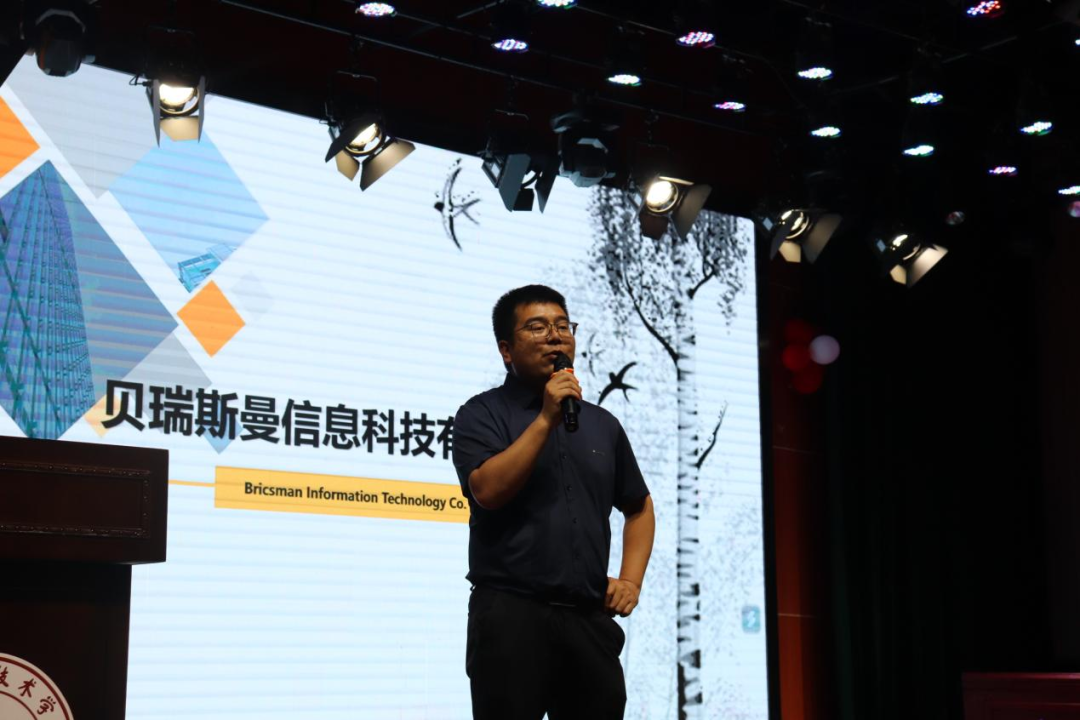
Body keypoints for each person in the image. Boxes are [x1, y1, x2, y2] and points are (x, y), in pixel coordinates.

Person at [452, 284, 656, 720]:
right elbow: (487, 491)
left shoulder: (602, 425)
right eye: (537, 327)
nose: (555, 337)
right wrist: (546, 417)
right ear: (506, 350)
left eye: (563, 326)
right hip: (511, 616)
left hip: (587, 619)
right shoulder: (481, 414)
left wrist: (631, 581)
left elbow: (639, 507)